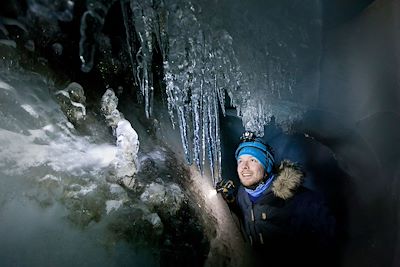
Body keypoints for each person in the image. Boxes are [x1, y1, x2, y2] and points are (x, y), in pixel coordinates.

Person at [217, 131, 337, 266]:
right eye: (240, 160)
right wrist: (230, 201)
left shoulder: (298, 199)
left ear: (266, 166)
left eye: (253, 160)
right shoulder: (242, 195)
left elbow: (330, 240)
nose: (244, 167)